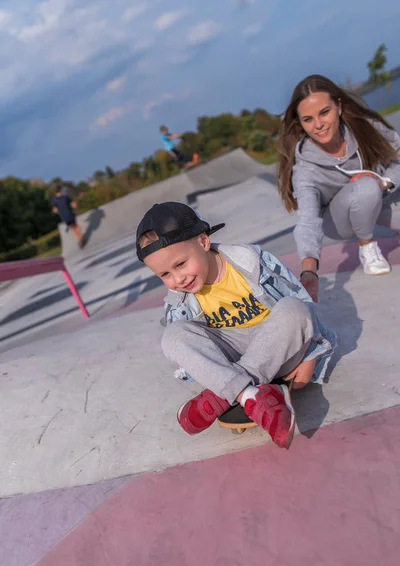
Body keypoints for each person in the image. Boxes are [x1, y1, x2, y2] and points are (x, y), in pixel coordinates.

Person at [136, 202, 337, 449]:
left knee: (294, 308)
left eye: (180, 264)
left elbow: (303, 302)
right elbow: (192, 353)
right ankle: (250, 395)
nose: (177, 279)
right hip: (234, 351)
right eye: (164, 275)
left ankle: (225, 394)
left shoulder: (251, 262)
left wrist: (311, 357)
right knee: (172, 336)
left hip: (277, 346)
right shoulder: (178, 300)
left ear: (202, 242)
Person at [277, 74, 400, 302]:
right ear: (301, 123)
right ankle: (367, 247)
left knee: (370, 187)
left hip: (379, 198)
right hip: (339, 221)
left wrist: (386, 181)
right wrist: (309, 271)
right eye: (308, 119)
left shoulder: (363, 128)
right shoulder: (305, 169)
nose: (319, 125)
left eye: (324, 112)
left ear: (339, 107)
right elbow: (308, 222)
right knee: (365, 187)